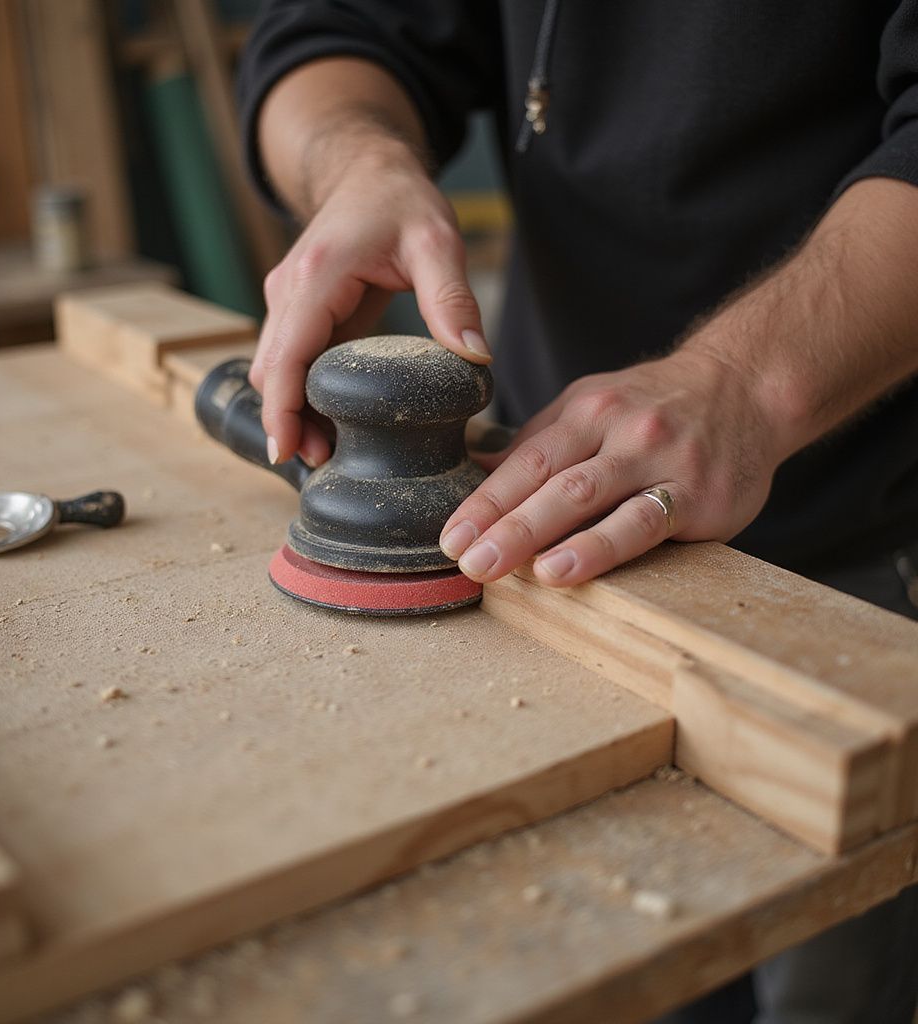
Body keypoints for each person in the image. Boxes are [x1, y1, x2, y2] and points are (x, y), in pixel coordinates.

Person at [238, 3, 918, 1021]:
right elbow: (334, 32)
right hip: (551, 536)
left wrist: (749, 382)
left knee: (828, 973)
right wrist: (358, 163)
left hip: (854, 532)